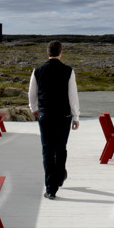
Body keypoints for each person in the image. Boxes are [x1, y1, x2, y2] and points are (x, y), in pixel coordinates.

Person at [28, 40, 80, 199]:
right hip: (64, 116)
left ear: (47, 52)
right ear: (61, 52)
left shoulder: (38, 70)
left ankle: (51, 188)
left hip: (45, 115)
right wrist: (76, 116)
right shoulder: (68, 71)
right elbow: (73, 96)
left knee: (47, 151)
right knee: (61, 148)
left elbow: (32, 93)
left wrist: (34, 109)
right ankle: (59, 177)